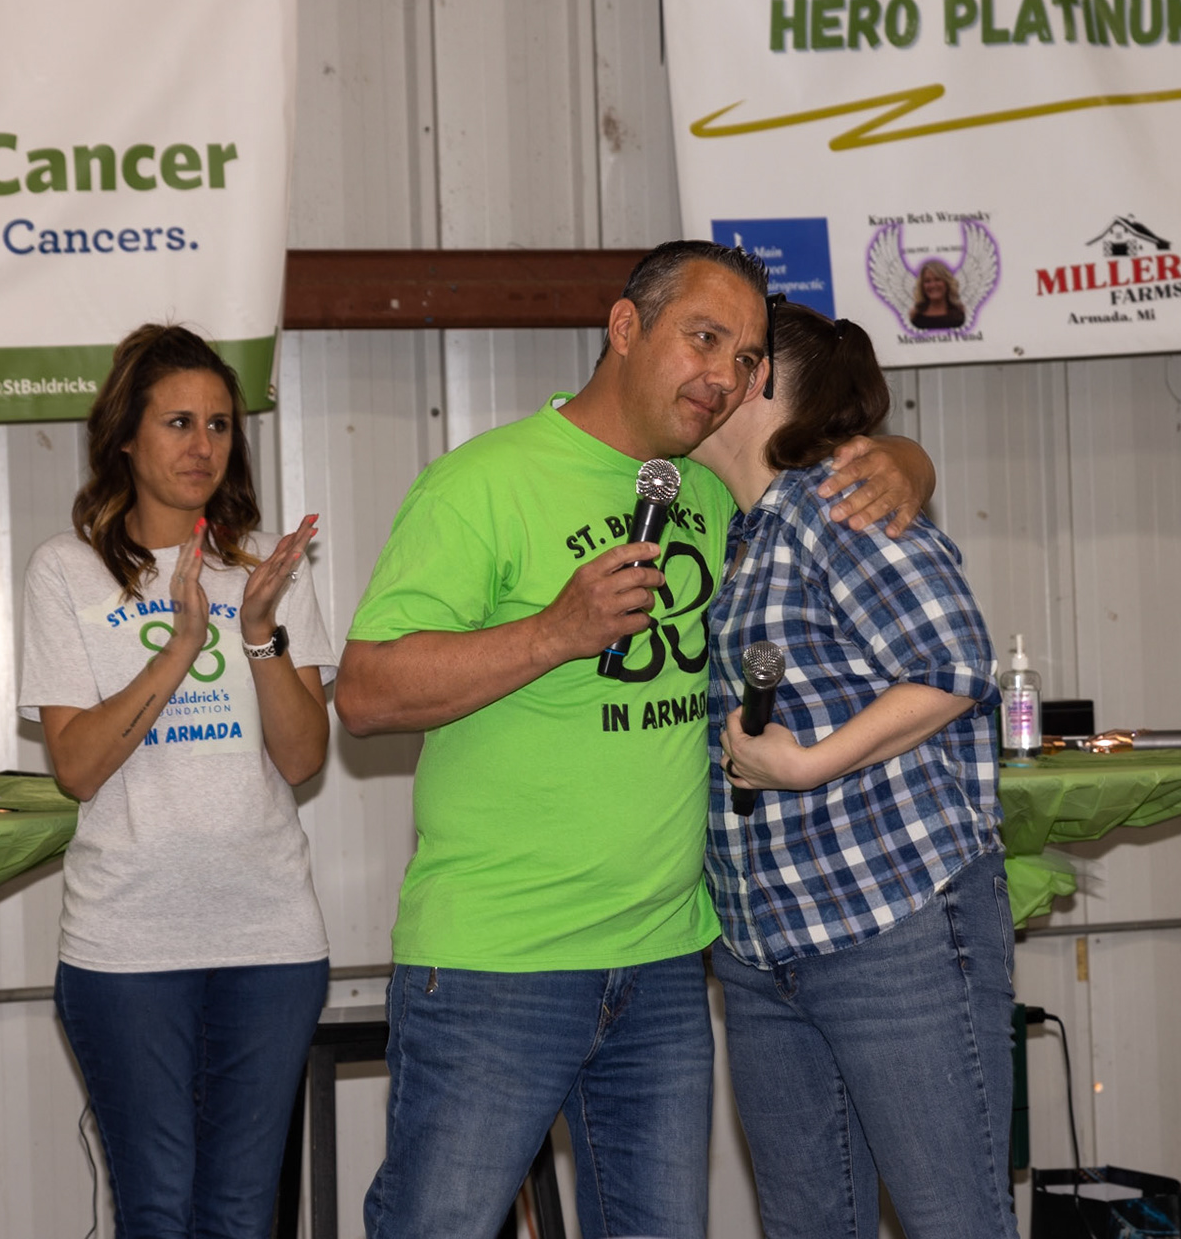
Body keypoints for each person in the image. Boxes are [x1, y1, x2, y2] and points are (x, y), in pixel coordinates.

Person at [335, 240, 935, 1239]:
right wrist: (552, 633)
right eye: (703, 338)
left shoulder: (714, 484)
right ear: (625, 327)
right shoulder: (483, 484)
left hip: (662, 962)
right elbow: (364, 693)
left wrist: (911, 460)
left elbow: (853, 465)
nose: (725, 375)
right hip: (500, 960)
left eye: (747, 357)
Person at [694, 302, 1018, 1239]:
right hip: (768, 949)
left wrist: (808, 765)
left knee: (954, 1218)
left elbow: (955, 664)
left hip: (891, 926)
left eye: (723, 354)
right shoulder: (744, 526)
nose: (700, 378)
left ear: (760, 380)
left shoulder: (840, 498)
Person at [18, 324, 335, 1238]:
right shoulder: (68, 569)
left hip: (269, 937)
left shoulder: (266, 566)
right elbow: (77, 765)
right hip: (128, 943)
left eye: (220, 424)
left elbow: (304, 758)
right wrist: (183, 643)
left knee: (239, 1212)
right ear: (125, 436)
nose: (203, 445)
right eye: (178, 422)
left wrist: (258, 632)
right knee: (157, 1210)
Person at [909, 257, 965, 330]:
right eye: (927, 281)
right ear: (922, 286)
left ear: (947, 283)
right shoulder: (915, 315)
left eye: (937, 279)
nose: (932, 285)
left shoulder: (960, 313)